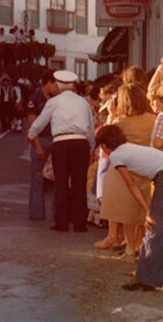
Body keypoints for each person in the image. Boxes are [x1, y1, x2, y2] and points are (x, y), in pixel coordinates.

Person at [96, 125, 163, 291]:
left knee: (154, 229)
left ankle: (147, 279)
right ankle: (151, 276)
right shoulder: (130, 147)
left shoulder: (117, 156)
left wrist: (147, 210)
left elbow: (131, 184)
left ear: (104, 146)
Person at [27, 70, 95, 232]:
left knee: (61, 183)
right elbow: (90, 127)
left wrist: (31, 134)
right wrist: (91, 147)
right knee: (79, 183)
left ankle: (62, 222)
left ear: (58, 84)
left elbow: (40, 122)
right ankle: (80, 223)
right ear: (73, 85)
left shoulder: (54, 102)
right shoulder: (83, 102)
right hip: (81, 143)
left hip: (61, 143)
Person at [100, 83, 156, 258]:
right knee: (140, 211)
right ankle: (139, 245)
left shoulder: (120, 122)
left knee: (125, 212)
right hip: (145, 167)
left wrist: (110, 114)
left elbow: (105, 138)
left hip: (122, 169)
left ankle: (130, 246)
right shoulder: (152, 119)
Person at [25, 70, 57, 220]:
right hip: (41, 140)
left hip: (55, 139)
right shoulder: (34, 99)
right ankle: (37, 213)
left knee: (57, 178)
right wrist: (37, 145)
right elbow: (33, 124)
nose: (57, 86)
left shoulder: (57, 98)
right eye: (54, 83)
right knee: (37, 177)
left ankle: (57, 213)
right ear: (48, 83)